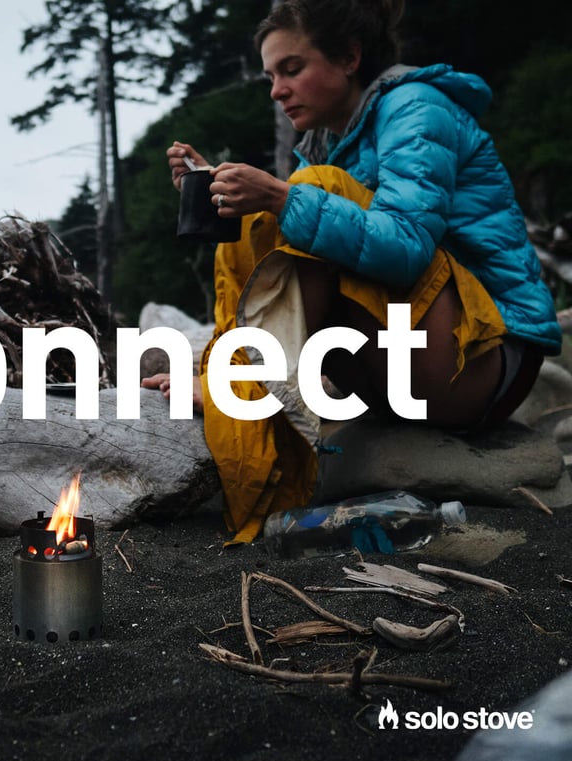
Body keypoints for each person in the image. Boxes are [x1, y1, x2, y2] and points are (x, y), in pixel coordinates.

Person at [142, 0, 561, 543]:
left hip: (486, 358)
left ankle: (241, 393)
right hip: (408, 361)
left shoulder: (417, 108)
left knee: (306, 197)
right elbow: (298, 255)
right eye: (270, 75)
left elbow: (407, 246)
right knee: (273, 218)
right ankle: (241, 388)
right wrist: (217, 192)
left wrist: (280, 196)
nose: (276, 90)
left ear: (348, 57)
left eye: (292, 69)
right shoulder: (324, 143)